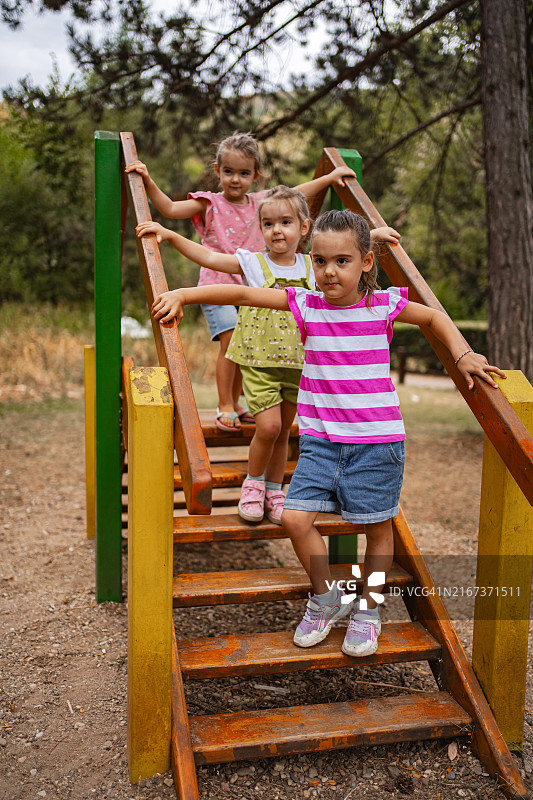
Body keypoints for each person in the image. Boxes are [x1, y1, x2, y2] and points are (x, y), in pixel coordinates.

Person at [146, 207, 505, 657]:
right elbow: (243, 292)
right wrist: (183, 293)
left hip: (377, 442)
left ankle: (369, 610)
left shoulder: (383, 305)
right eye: (319, 261)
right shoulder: (306, 303)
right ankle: (328, 597)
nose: (329, 271)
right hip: (321, 442)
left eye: (342, 261)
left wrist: (464, 354)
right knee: (295, 519)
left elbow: (434, 318)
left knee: (376, 530)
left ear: (366, 262)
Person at [126, 132, 359, 432]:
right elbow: (170, 209)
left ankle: (237, 403)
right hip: (216, 283)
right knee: (230, 338)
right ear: (217, 171)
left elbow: (298, 193)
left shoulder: (262, 204)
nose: (236, 179)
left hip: (252, 287)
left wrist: (330, 177)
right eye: (228, 172)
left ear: (256, 176)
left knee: (245, 342)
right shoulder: (208, 203)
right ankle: (225, 404)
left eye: (244, 173)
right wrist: (148, 182)